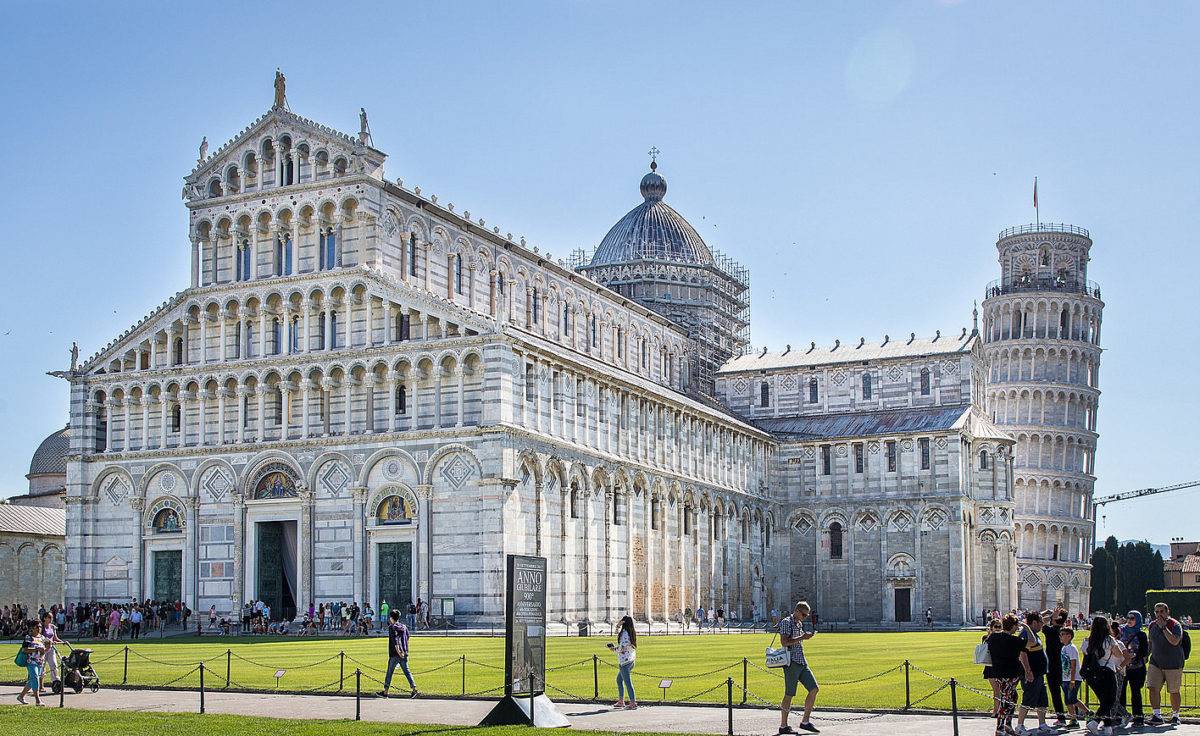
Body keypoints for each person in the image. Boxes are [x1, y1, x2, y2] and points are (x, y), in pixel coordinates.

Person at [778, 600, 819, 734]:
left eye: (807, 615)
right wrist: (802, 637)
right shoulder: (786, 622)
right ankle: (783, 726)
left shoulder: (798, 623)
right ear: (796, 611)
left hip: (801, 661)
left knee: (814, 689)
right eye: (803, 615)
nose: (805, 618)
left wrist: (803, 636)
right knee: (789, 694)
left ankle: (805, 721)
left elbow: (796, 640)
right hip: (791, 662)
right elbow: (784, 642)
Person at [987, 613, 1028, 736]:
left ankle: (1007, 725)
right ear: (1013, 626)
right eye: (1016, 625)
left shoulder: (994, 637)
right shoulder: (1015, 640)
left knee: (1013, 697)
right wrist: (1026, 627)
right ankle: (1000, 728)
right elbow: (1031, 641)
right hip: (1010, 674)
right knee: (1006, 700)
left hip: (998, 672)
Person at [1146, 601, 1185, 726]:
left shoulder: (1175, 625)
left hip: (1173, 663)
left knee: (1173, 690)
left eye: (1161, 611)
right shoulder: (1152, 625)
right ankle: (1157, 715)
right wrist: (1146, 655)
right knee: (1153, 688)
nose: (1159, 614)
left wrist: (1164, 627)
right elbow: (1150, 642)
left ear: (1167, 612)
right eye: (1157, 612)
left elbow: (1174, 641)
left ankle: (1175, 715)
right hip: (1155, 662)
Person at [1081, 615, 1120, 736]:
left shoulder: (1087, 640)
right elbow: (1118, 654)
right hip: (1107, 671)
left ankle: (1108, 728)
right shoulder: (1109, 640)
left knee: (1103, 700)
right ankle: (1095, 721)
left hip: (1092, 673)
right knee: (1110, 700)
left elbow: (1084, 653)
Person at [1014, 611, 1049, 735]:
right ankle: (1019, 725)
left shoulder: (1033, 632)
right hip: (1031, 673)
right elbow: (1023, 654)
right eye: (1040, 622)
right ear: (1034, 623)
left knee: (1042, 701)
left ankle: (1042, 724)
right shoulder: (1026, 634)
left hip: (1039, 673)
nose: (1042, 625)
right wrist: (1028, 671)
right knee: (1028, 700)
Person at [377, 609, 418, 698]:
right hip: (404, 652)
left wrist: (399, 652)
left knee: (389, 672)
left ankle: (386, 691)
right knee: (407, 671)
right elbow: (407, 637)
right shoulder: (404, 626)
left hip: (395, 654)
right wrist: (403, 649)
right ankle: (414, 689)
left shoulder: (392, 627)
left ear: (391, 618)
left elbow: (395, 640)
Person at [1118, 610, 1148, 726]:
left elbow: (1144, 651)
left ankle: (1138, 718)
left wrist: (1135, 655)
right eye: (1128, 618)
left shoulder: (1141, 634)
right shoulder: (1121, 631)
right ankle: (1121, 716)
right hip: (1123, 667)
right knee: (1120, 693)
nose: (1129, 620)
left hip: (1136, 667)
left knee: (1135, 693)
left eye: (1132, 618)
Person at [1041, 609, 1068, 727]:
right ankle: (1074, 715)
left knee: (1055, 692)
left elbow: (1036, 622)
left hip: (1052, 666)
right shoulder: (1066, 633)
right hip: (1065, 665)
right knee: (1068, 692)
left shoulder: (1051, 632)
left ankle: (1061, 717)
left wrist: (1050, 616)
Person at [609, 615, 638, 709]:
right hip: (630, 660)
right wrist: (617, 626)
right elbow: (617, 633)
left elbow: (622, 648)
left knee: (627, 682)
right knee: (619, 680)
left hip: (625, 662)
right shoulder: (630, 632)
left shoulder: (625, 633)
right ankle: (621, 701)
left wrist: (613, 649)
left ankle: (633, 702)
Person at [1059, 627, 1086, 728]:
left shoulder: (1071, 648)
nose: (1060, 637)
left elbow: (1074, 664)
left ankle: (1088, 712)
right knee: (1067, 700)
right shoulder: (1064, 648)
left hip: (1073, 678)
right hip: (1065, 678)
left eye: (1062, 635)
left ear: (1069, 636)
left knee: (1072, 699)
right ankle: (1073, 719)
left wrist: (1072, 680)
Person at [982, 619, 1003, 718]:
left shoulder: (1003, 637)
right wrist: (990, 635)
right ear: (991, 628)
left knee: (1001, 690)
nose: (998, 629)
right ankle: (996, 710)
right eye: (996, 627)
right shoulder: (986, 637)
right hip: (990, 666)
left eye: (1000, 627)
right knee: (996, 690)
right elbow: (984, 647)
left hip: (1001, 666)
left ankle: (1000, 710)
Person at [39, 611, 62, 692]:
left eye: (52, 617)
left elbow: (55, 638)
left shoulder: (52, 627)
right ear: (44, 618)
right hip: (43, 649)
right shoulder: (41, 627)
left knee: (54, 665)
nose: (51, 619)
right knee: (42, 666)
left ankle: (56, 682)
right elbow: (40, 637)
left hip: (51, 648)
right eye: (49, 617)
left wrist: (62, 642)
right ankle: (41, 686)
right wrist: (48, 641)